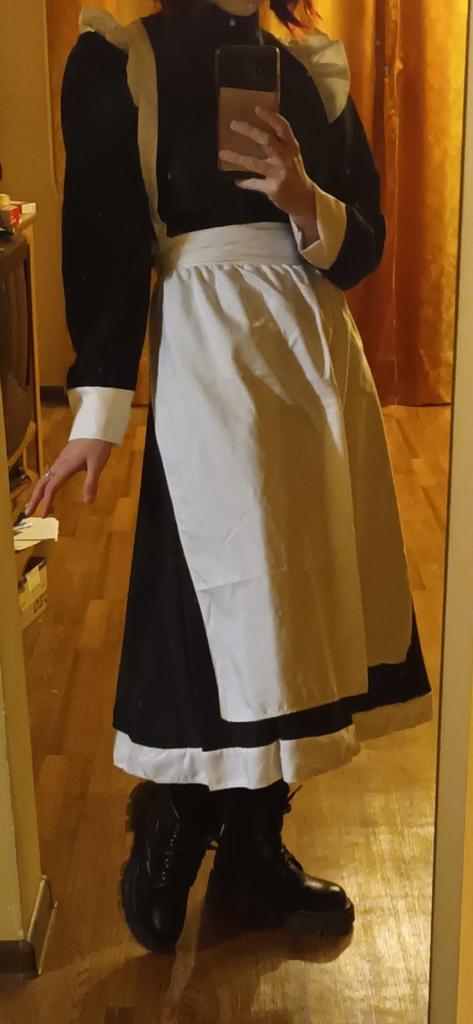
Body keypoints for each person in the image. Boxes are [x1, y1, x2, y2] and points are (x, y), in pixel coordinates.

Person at [27, 0, 433, 953]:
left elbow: (362, 243)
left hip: (318, 364)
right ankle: (176, 813)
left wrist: (301, 195)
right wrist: (97, 410)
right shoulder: (123, 58)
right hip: (210, 352)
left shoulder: (312, 63)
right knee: (222, 598)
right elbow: (104, 237)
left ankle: (254, 846)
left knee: (304, 608)